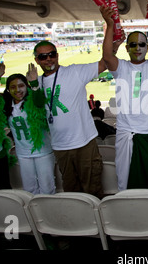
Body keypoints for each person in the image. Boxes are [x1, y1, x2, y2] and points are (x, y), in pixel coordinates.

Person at [100, 5, 148, 191]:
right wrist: (109, 25)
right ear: (127, 48)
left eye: (142, 44)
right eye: (133, 44)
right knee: (125, 179)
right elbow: (107, 56)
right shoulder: (121, 67)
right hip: (126, 132)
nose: (137, 48)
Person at [33, 40, 105, 197]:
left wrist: (111, 31)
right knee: (71, 190)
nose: (48, 59)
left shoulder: (75, 72)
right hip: (60, 146)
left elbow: (104, 63)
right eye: (43, 56)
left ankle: (96, 221)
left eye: (52, 54)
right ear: (37, 60)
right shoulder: (36, 84)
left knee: (92, 187)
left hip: (84, 142)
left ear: (57, 56)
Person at [0, 63, 56, 194]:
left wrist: (34, 83)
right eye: (13, 87)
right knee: (29, 189)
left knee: (47, 187)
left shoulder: (34, 101)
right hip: (23, 153)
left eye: (21, 86)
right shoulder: (7, 106)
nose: (18, 90)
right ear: (8, 90)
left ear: (26, 86)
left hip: (42, 152)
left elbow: (39, 102)